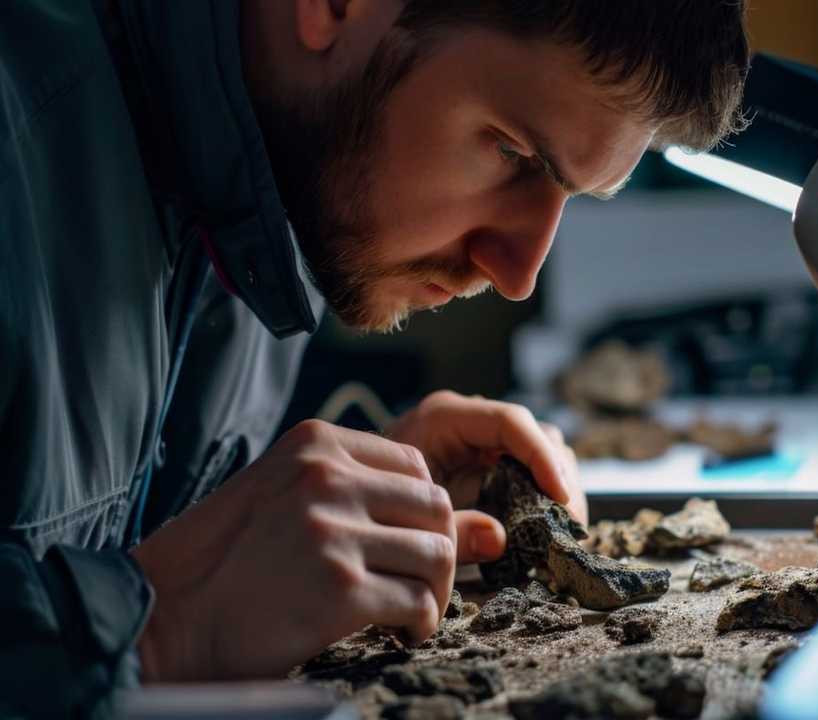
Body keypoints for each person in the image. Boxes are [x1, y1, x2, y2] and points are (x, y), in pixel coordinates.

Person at [0, 0, 749, 715]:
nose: (518, 275)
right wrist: (154, 628)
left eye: (573, 197)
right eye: (512, 151)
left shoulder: (279, 181)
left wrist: (361, 509)